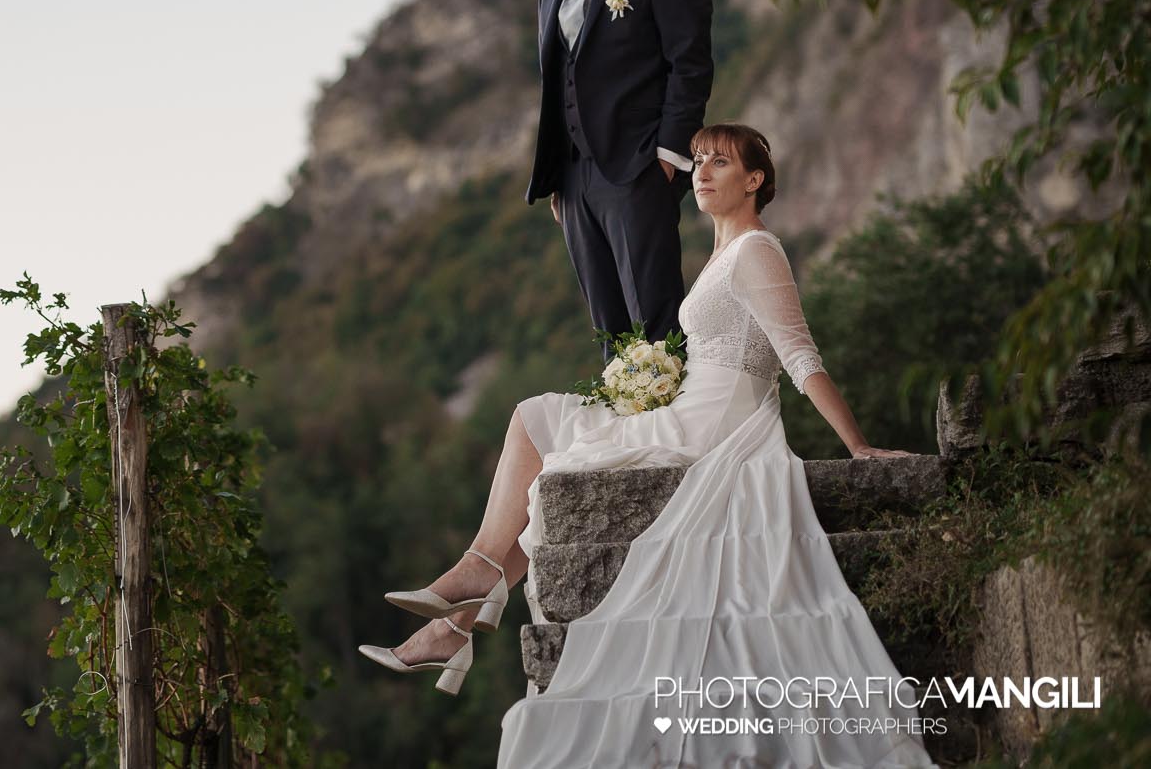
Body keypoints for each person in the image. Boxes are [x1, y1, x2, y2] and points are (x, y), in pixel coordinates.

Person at [360, 124, 934, 767]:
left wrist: (857, 446)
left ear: (755, 181)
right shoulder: (722, 255)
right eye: (697, 162)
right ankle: (455, 620)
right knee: (545, 437)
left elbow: (798, 356)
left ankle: (468, 593)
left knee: (537, 423)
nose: (703, 172)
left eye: (721, 162)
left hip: (717, 424)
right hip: (691, 408)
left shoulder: (757, 250)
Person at [527, 0, 714, 356]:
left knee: (655, 320)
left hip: (638, 168)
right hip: (572, 180)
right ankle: (628, 433)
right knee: (609, 329)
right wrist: (556, 182)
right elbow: (557, 79)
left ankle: (675, 434)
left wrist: (668, 157)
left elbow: (690, 65)